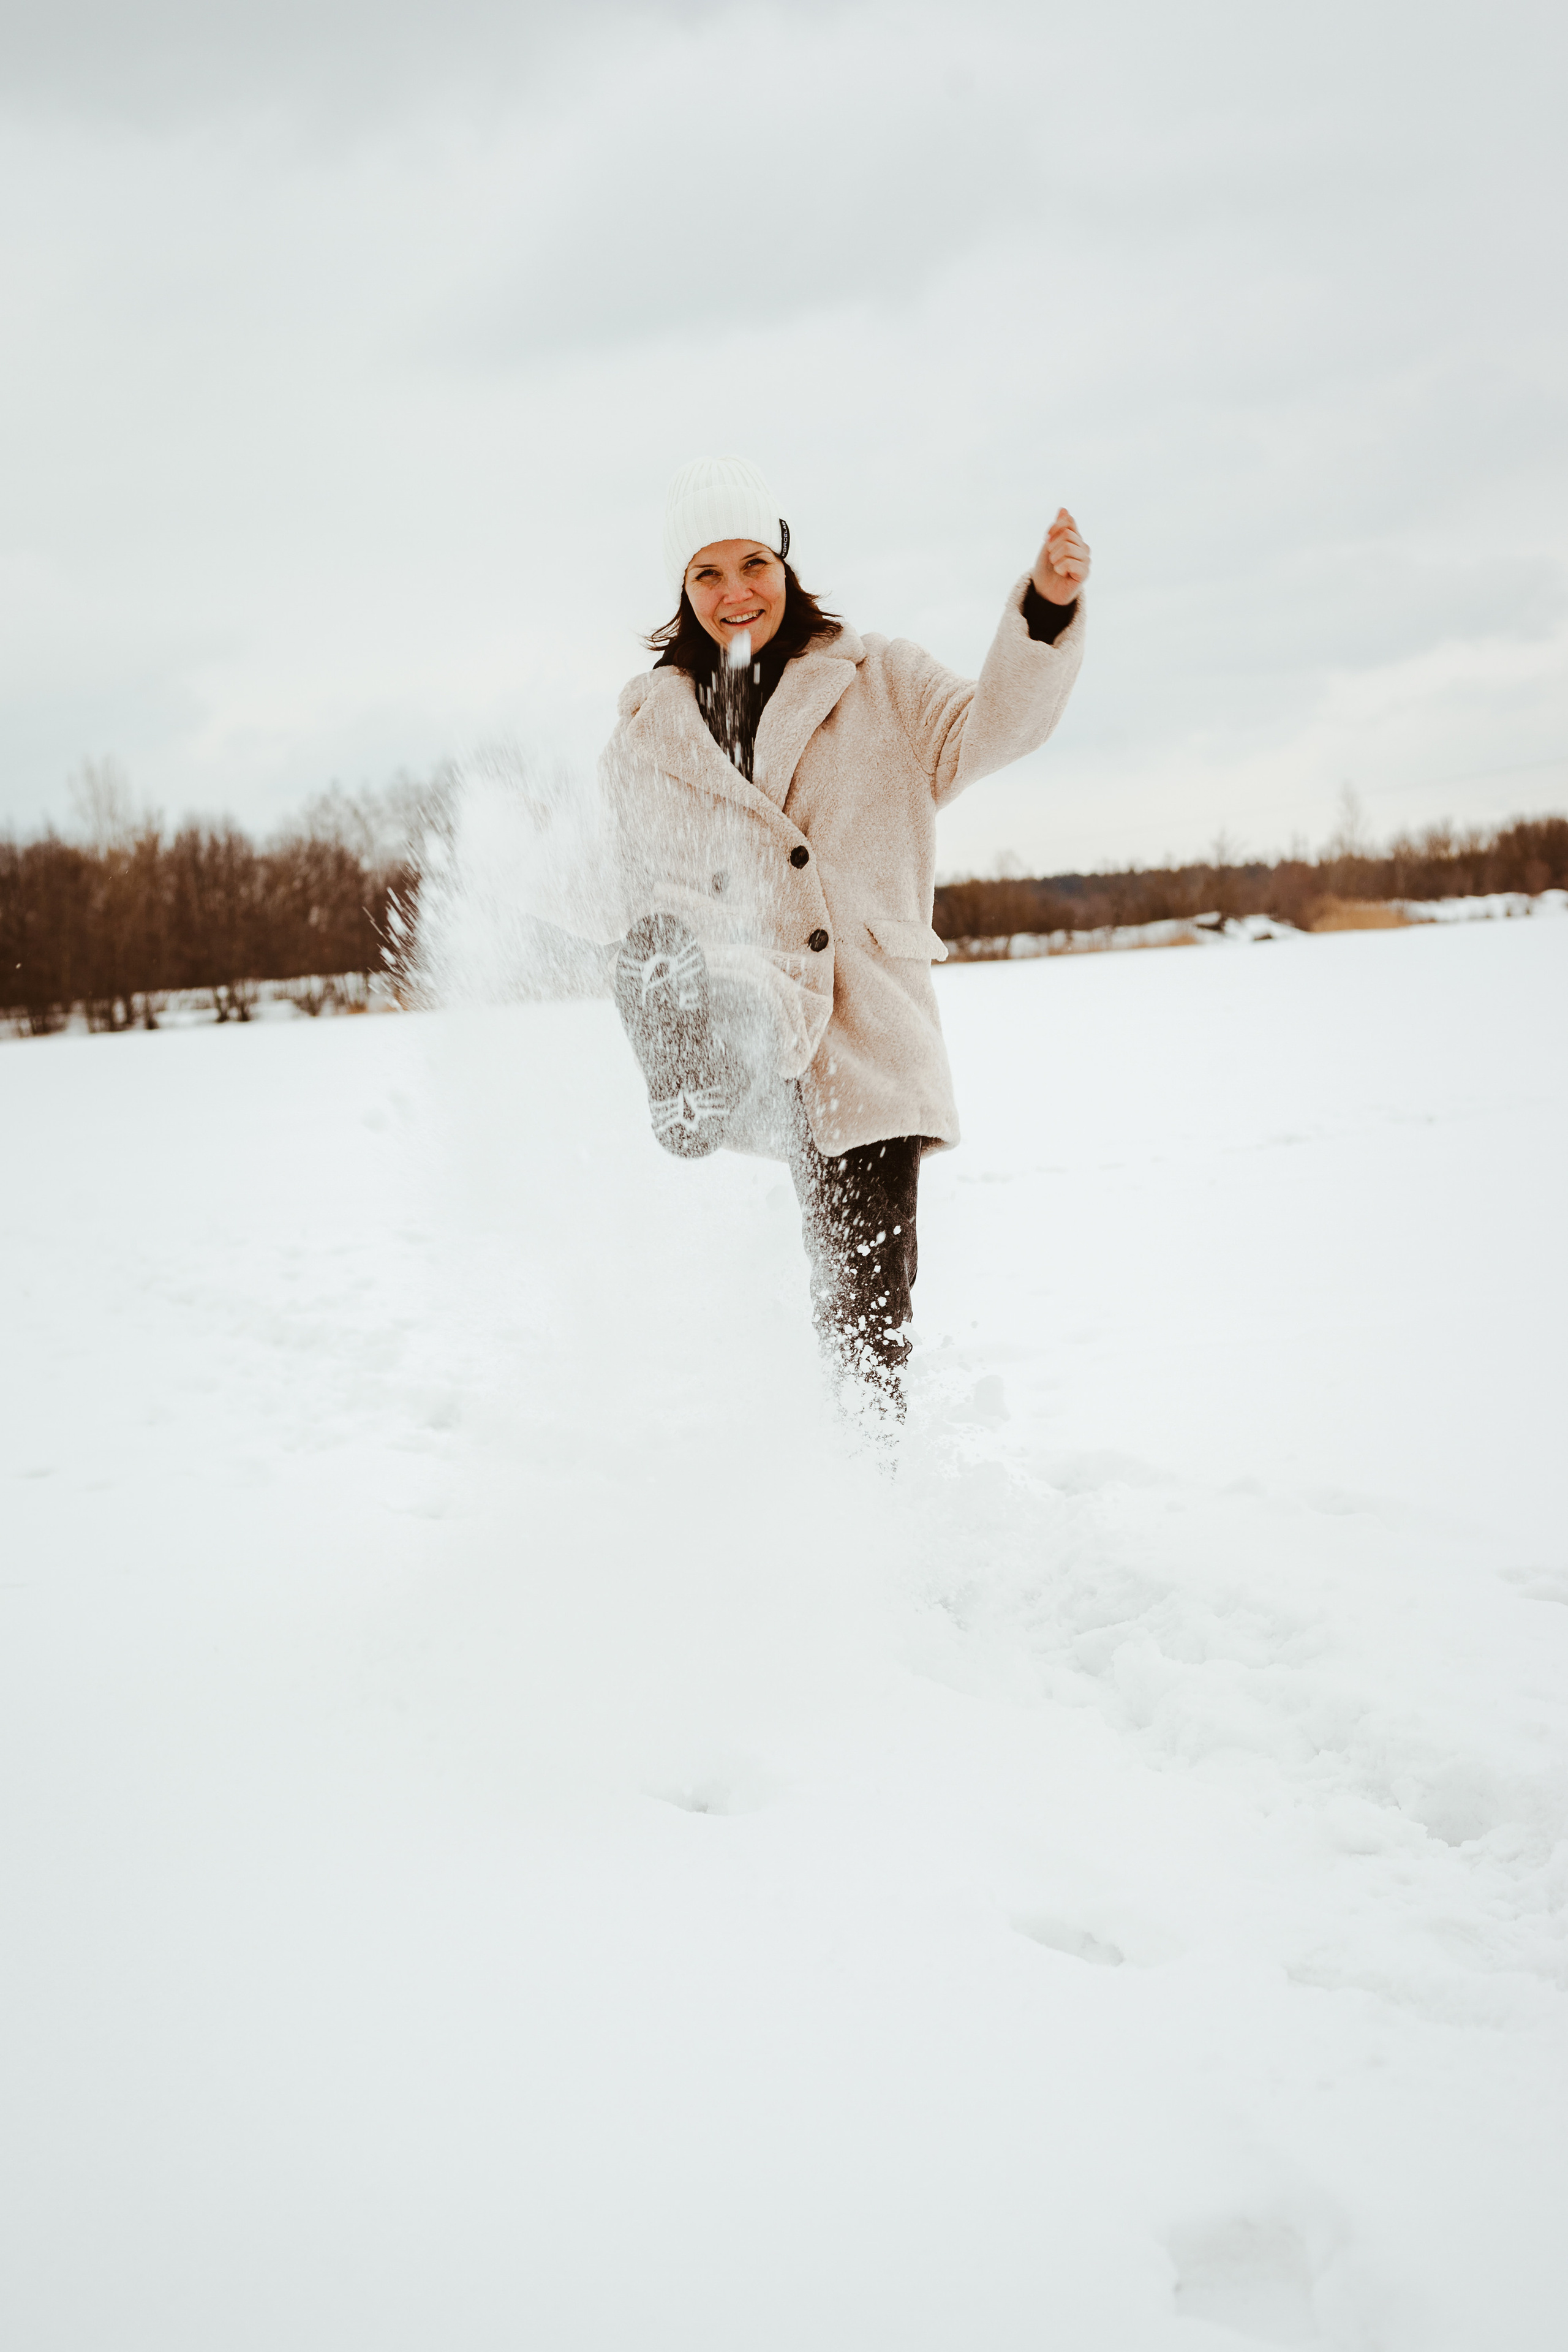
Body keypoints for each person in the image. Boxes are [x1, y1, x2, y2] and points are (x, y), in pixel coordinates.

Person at [602, 454, 1088, 1411]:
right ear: (681, 588)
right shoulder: (653, 734)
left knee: (867, 1300)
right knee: (683, 962)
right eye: (707, 573)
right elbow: (634, 885)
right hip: (748, 1014)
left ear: (786, 563)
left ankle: (864, 1489)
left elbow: (994, 727)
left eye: (753, 564)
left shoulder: (883, 684)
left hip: (867, 1033)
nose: (735, 592)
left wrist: (1045, 609)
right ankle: (688, 1055)